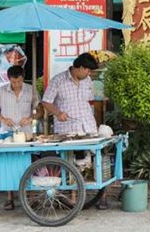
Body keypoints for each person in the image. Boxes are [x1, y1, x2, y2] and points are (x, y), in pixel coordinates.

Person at [41, 52, 109, 209]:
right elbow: (46, 102)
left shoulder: (87, 81)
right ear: (80, 68)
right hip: (68, 130)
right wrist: (58, 113)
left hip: (88, 127)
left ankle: (102, 197)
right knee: (72, 164)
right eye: (88, 71)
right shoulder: (58, 81)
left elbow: (90, 100)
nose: (89, 74)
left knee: (95, 160)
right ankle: (74, 200)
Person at [0, 65, 40, 210]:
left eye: (18, 82)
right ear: (9, 79)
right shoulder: (1, 91)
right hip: (8, 134)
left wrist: (31, 118)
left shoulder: (31, 90)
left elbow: (40, 111)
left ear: (23, 78)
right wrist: (4, 119)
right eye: (13, 82)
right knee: (9, 164)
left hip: (26, 134)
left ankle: (30, 196)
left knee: (29, 163)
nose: (16, 85)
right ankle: (9, 197)